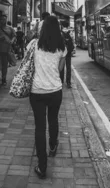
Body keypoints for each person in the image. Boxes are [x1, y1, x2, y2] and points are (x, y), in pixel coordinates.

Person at [29, 15, 67, 180]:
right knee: (53, 119)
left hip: (37, 91)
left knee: (39, 128)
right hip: (55, 90)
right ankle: (53, 145)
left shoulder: (33, 44)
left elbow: (28, 63)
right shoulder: (62, 46)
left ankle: (42, 166)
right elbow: (60, 69)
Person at [0, 14, 15, 86]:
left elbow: (14, 36)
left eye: (5, 19)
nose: (4, 21)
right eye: (2, 19)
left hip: (6, 49)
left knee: (4, 65)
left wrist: (12, 41)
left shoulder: (10, 28)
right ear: (0, 20)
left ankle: (3, 79)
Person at [59, 20, 75, 89]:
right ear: (67, 26)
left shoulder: (60, 33)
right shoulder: (70, 32)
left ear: (62, 25)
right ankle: (68, 83)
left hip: (62, 52)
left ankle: (61, 81)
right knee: (68, 67)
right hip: (68, 52)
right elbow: (73, 42)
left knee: (61, 67)